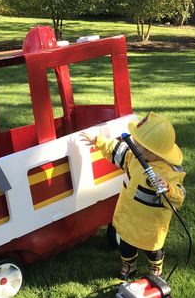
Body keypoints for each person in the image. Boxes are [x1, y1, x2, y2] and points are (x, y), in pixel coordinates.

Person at [80, 112, 186, 280]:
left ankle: (155, 268)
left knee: (153, 250)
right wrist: (98, 141)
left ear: (153, 152)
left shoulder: (169, 173)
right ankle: (129, 266)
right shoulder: (135, 157)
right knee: (127, 245)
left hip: (150, 225)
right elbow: (118, 150)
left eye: (139, 144)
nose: (133, 144)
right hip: (128, 217)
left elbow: (179, 198)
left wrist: (168, 188)